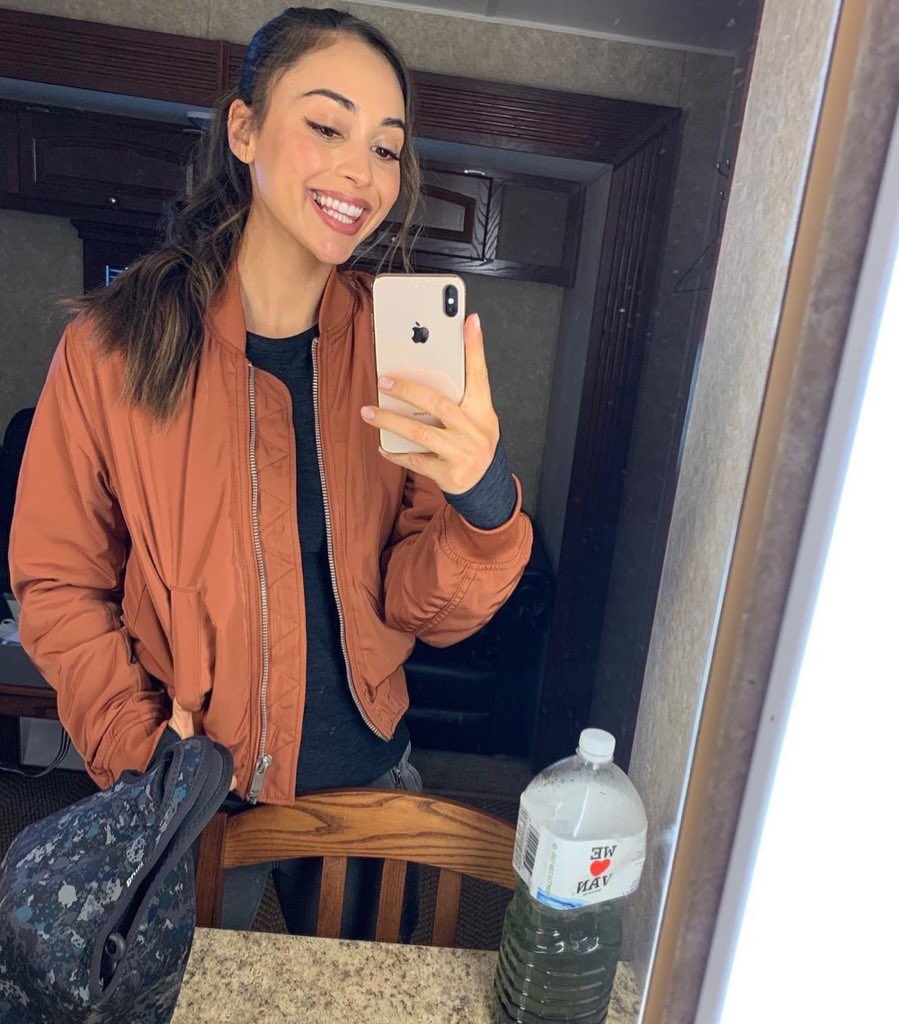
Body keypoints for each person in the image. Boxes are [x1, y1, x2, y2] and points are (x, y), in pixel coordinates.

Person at [8, 7, 533, 938]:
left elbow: (423, 609)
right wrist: (138, 747)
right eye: (326, 126)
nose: (360, 172)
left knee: (365, 997)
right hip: (191, 794)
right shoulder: (110, 350)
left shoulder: (399, 353)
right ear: (244, 130)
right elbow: (57, 582)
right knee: (192, 997)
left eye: (385, 147)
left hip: (368, 791)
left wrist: (482, 500)